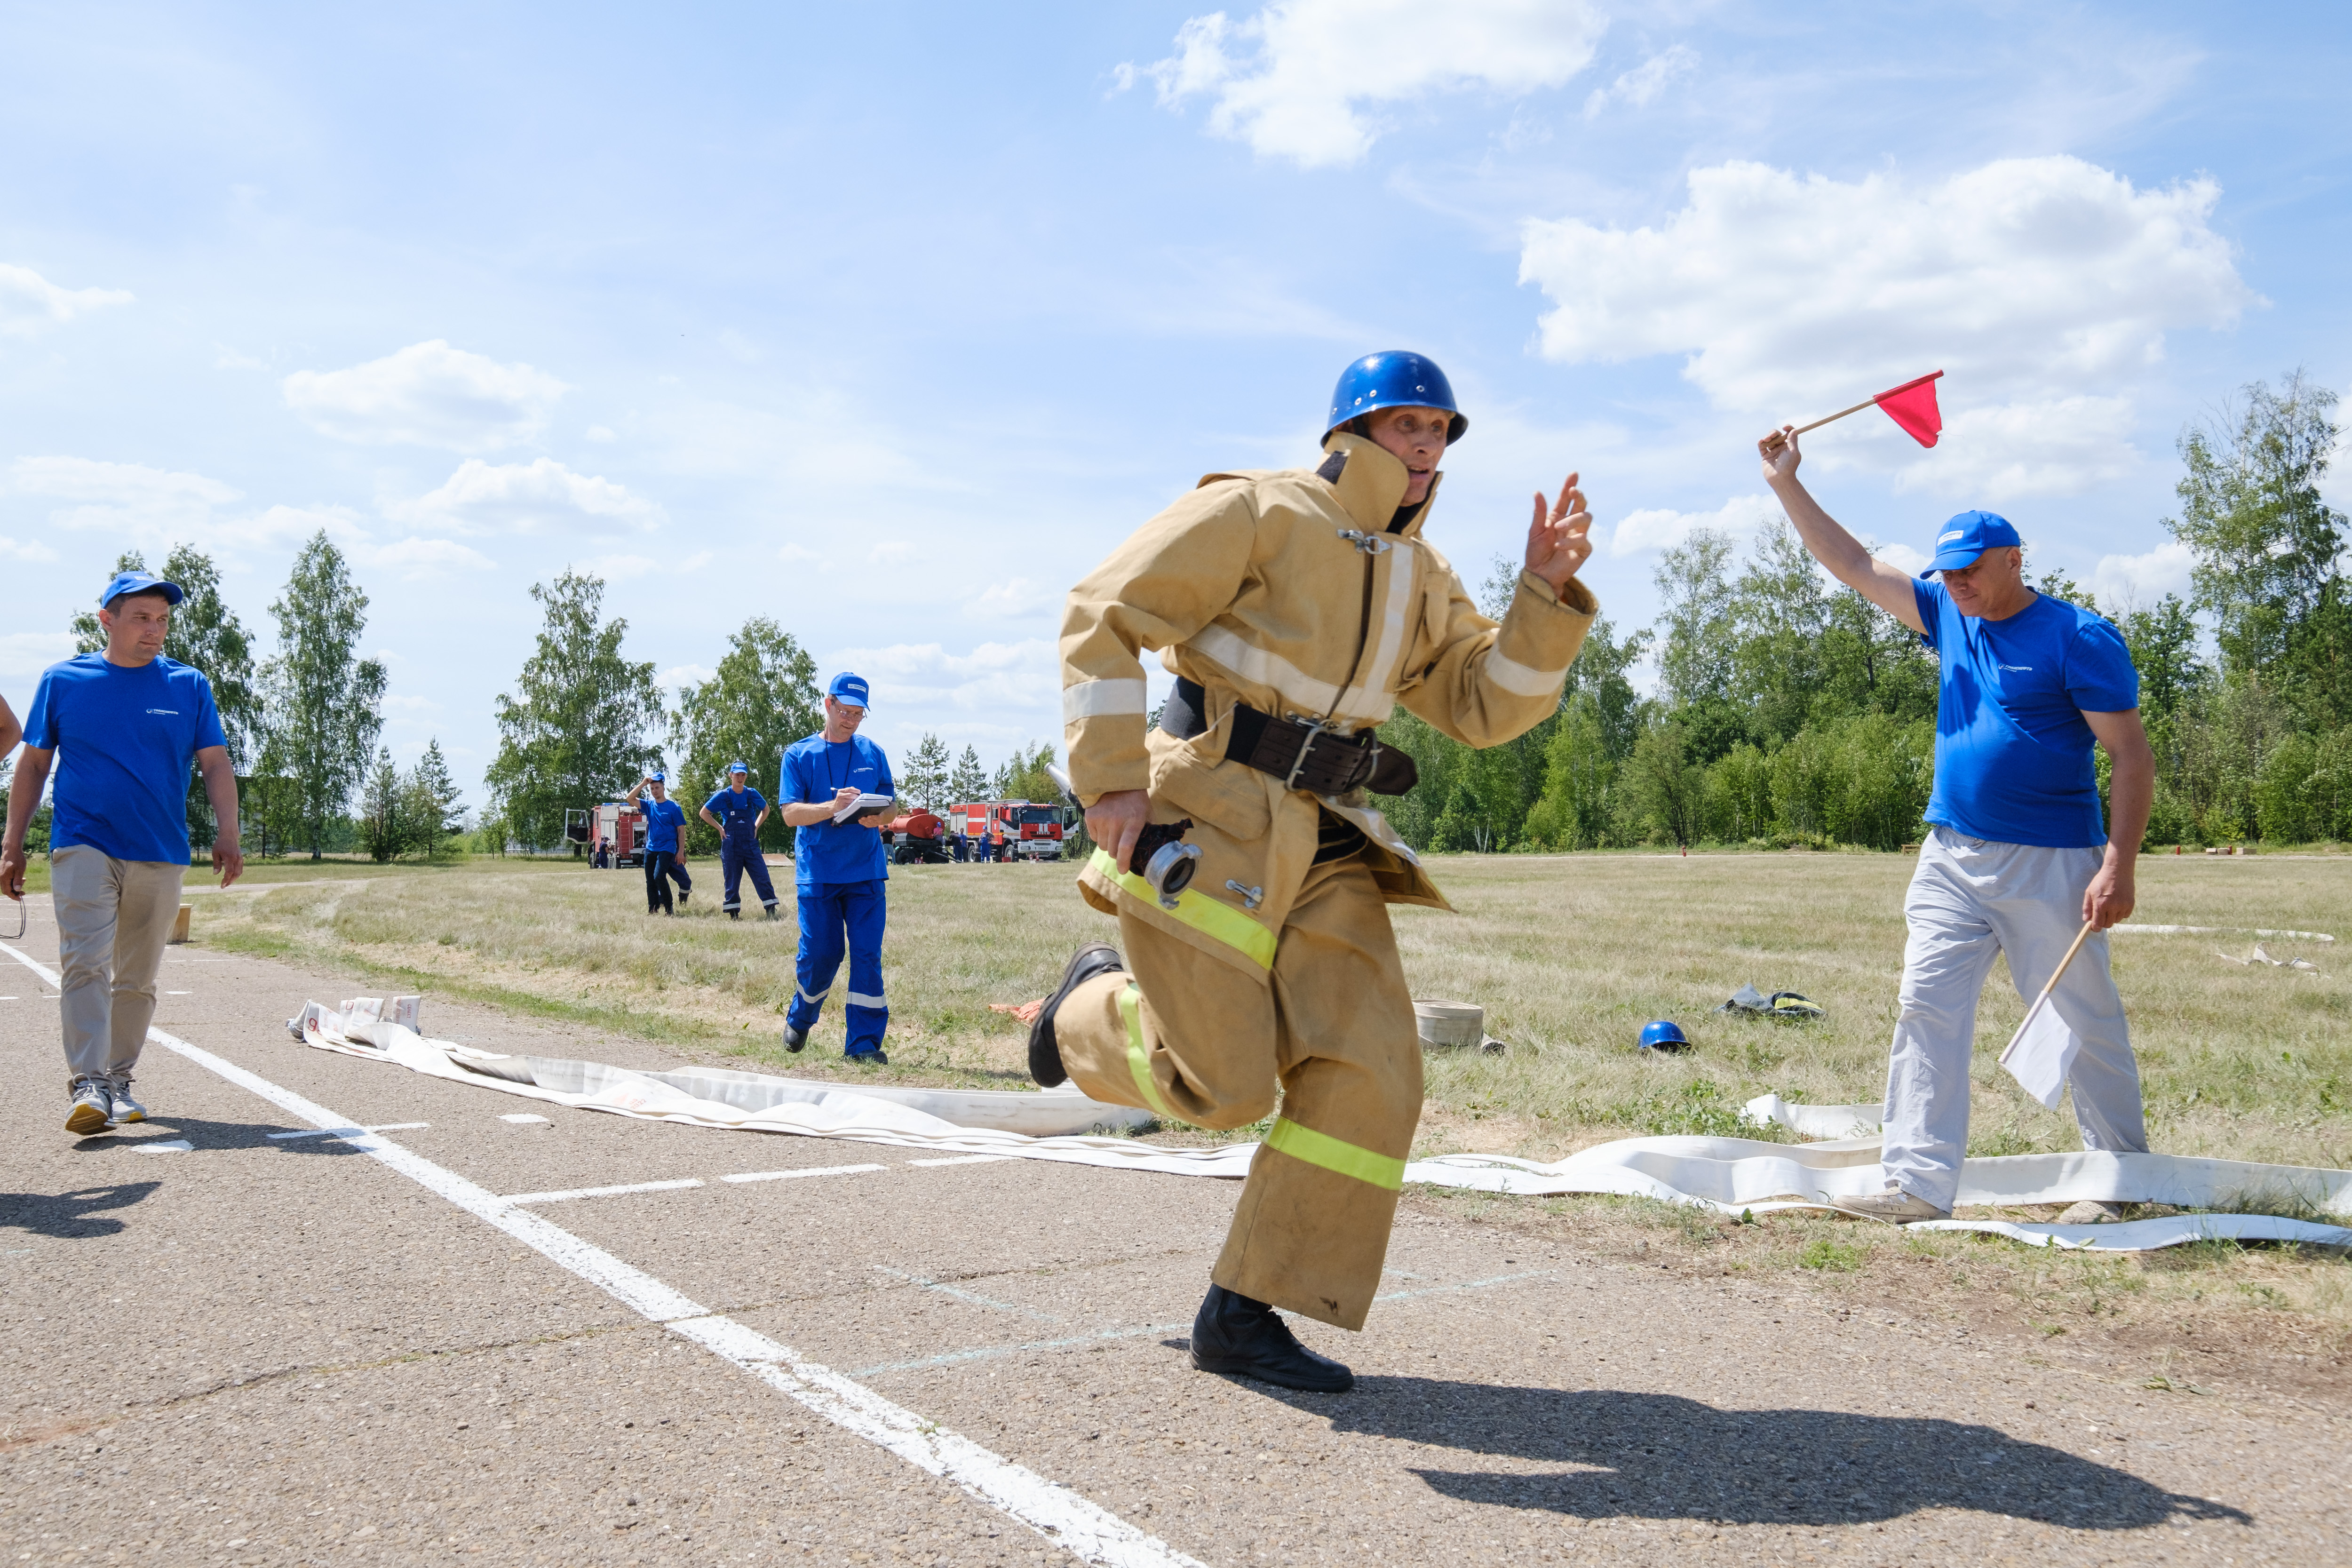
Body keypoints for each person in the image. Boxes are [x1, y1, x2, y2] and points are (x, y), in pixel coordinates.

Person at [1026, 351, 1598, 1392]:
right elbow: (1101, 612)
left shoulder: (1424, 575)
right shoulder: (1258, 510)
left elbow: (1484, 703)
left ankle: (1242, 1313)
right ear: (1350, 432)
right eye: (1408, 426)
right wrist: (1108, 783)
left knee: (1375, 1070)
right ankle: (1085, 1008)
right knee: (1226, 1087)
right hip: (1206, 820)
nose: (1427, 447)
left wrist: (1545, 595)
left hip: (1331, 836)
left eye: (1442, 431)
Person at [1758, 425, 2155, 1225]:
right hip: (1951, 852)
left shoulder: (2079, 638)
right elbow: (1854, 564)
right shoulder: (1949, 610)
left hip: (2052, 861)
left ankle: (2118, 1180)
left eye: (1972, 569)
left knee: (2082, 1018)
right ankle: (1914, 1182)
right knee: (1924, 1006)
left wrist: (2119, 865)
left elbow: (2132, 758)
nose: (1958, 585)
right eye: (1948, 573)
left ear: (2014, 559)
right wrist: (1785, 483)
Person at [1, 571, 244, 1136]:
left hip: (160, 848)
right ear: (107, 619)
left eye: (162, 620)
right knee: (85, 961)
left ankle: (118, 1080)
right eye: (141, 618)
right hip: (83, 841)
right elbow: (33, 764)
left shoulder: (188, 686)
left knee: (137, 976)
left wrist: (228, 831)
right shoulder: (64, 681)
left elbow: (214, 763)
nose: (154, 630)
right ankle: (87, 1083)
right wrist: (12, 844)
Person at [777, 673, 898, 1062]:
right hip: (819, 875)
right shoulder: (799, 755)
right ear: (828, 704)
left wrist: (877, 817)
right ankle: (802, 1015)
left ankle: (863, 1045)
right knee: (822, 954)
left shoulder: (873, 753)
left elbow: (893, 806)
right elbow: (791, 814)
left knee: (867, 955)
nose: (850, 719)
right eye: (844, 711)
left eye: (858, 713)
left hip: (865, 873)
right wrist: (833, 807)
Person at [700, 761, 779, 919]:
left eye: (743, 775)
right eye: (737, 775)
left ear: (746, 776)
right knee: (732, 878)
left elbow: (766, 809)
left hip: (750, 842)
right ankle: (734, 913)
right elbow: (704, 813)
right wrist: (720, 829)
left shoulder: (752, 794)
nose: (740, 778)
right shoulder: (723, 796)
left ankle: (771, 909)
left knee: (761, 875)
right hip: (731, 843)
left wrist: (756, 827)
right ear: (731, 776)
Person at [635, 771, 692, 915]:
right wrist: (643, 783)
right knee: (650, 881)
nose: (655, 791)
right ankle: (653, 909)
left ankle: (669, 908)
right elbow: (630, 798)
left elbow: (681, 831)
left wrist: (680, 852)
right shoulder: (649, 805)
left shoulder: (674, 808)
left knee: (659, 876)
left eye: (657, 788)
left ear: (663, 788)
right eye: (652, 789)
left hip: (667, 848)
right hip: (651, 848)